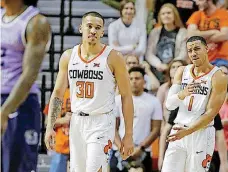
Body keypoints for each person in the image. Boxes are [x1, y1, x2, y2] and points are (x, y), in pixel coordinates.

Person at [44, 11, 134, 172]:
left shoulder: (114, 57)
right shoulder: (68, 57)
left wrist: (128, 134)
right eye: (89, 26)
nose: (93, 30)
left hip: (102, 122)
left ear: (102, 32)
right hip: (77, 122)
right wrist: (50, 126)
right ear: (81, 28)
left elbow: (127, 96)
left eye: (97, 28)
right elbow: (57, 94)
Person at [161, 36, 228, 172]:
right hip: (179, 130)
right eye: (190, 50)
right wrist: (182, 94)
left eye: (197, 49)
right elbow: (169, 105)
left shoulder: (218, 76)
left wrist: (188, 131)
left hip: (201, 133)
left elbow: (211, 113)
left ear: (206, 49)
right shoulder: (182, 71)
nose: (193, 53)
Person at [0, 0, 51, 171]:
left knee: (16, 167)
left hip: (19, 104)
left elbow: (29, 75)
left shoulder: (35, 22)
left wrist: (5, 111)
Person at [110, 67, 163, 172]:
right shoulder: (117, 100)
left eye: (137, 78)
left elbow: (156, 129)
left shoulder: (154, 101)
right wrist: (121, 147)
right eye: (131, 78)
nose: (134, 81)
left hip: (143, 151)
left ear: (144, 80)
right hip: (119, 151)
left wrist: (141, 148)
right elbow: (112, 127)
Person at [159, 108, 228, 172]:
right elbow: (165, 132)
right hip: (180, 151)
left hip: (200, 153)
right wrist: (161, 157)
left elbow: (220, 136)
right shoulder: (181, 105)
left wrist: (224, 162)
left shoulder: (210, 108)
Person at [146, 3, 188, 83]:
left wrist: (171, 66)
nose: (166, 15)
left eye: (169, 13)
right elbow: (149, 53)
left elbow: (184, 53)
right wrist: (159, 64)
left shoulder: (183, 32)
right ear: (160, 16)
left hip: (175, 70)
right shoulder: (154, 32)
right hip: (157, 68)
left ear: (174, 15)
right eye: (163, 14)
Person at [187, 0, 228, 67]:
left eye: (200, 0)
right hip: (200, 58)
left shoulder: (224, 14)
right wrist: (213, 32)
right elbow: (190, 35)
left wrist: (199, 36)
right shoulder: (196, 14)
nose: (197, 3)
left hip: (220, 58)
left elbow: (225, 35)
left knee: (222, 73)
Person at [43, 88, 71, 172]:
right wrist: (64, 120)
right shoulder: (59, 93)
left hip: (79, 147)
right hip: (61, 147)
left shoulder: (84, 94)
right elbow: (47, 122)